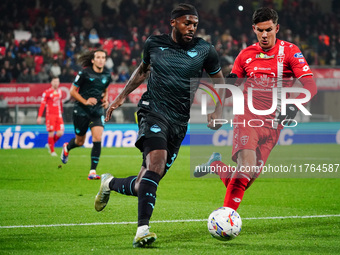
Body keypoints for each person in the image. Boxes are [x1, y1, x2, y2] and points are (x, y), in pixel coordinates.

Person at [94, 3, 225, 248]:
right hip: (152, 110)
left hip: (179, 122)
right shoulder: (154, 43)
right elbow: (143, 71)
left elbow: (220, 80)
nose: (191, 28)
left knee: (147, 179)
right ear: (173, 22)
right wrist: (122, 96)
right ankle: (142, 230)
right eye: (187, 23)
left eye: (195, 24)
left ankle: (109, 183)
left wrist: (218, 109)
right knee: (156, 162)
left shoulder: (205, 50)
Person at [195, 8, 317, 212]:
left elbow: (310, 85)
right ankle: (226, 218)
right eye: (260, 30)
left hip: (274, 124)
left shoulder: (290, 51)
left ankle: (215, 165)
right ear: (254, 29)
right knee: (246, 168)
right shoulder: (245, 55)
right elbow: (231, 85)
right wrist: (217, 111)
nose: (265, 35)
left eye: (269, 29)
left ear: (277, 28)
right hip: (248, 117)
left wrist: (295, 105)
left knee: (244, 181)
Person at [60, 50, 112, 180]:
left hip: (97, 111)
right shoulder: (84, 73)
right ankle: (67, 146)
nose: (101, 60)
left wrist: (106, 99)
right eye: (98, 57)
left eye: (103, 57)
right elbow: (72, 91)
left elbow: (105, 89)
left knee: (97, 138)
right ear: (93, 60)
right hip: (81, 110)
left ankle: (92, 171)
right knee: (80, 141)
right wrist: (86, 101)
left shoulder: (107, 75)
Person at [37, 77, 64, 156]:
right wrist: (39, 116)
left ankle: (50, 144)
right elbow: (42, 105)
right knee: (51, 133)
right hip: (50, 115)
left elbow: (60, 102)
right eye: (55, 81)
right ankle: (52, 151)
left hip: (58, 115)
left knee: (60, 133)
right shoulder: (46, 92)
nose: (56, 83)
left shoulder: (60, 91)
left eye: (57, 81)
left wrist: (61, 110)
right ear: (51, 82)